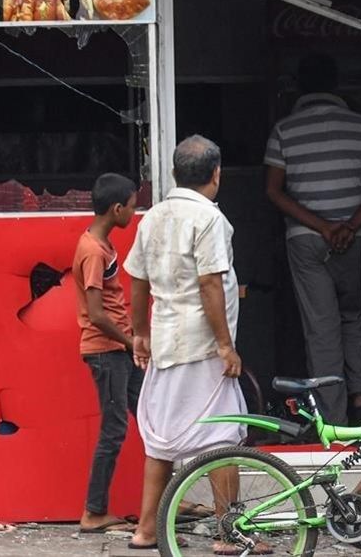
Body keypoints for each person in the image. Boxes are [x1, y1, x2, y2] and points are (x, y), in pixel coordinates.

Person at [125, 135, 266, 554]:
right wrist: (226, 345)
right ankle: (229, 533)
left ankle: (146, 529)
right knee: (223, 437)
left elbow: (137, 279)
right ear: (216, 174)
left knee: (162, 438)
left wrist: (139, 333)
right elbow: (210, 283)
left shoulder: (153, 217)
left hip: (166, 340)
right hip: (203, 346)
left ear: (174, 173)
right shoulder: (209, 220)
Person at [265, 54, 361, 425]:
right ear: (336, 86)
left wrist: (321, 226)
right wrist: (349, 225)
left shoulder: (284, 130)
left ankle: (332, 421)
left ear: (300, 87)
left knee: (322, 330)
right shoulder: (360, 125)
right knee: (355, 321)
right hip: (357, 239)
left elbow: (274, 191)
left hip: (307, 241)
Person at [72, 173, 140, 535]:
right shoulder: (94, 251)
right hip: (108, 351)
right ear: (116, 209)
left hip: (118, 349)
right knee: (114, 430)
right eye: (132, 205)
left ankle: (170, 494)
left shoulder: (99, 245)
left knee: (152, 416)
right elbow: (97, 313)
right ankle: (94, 511)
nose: (134, 211)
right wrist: (131, 343)